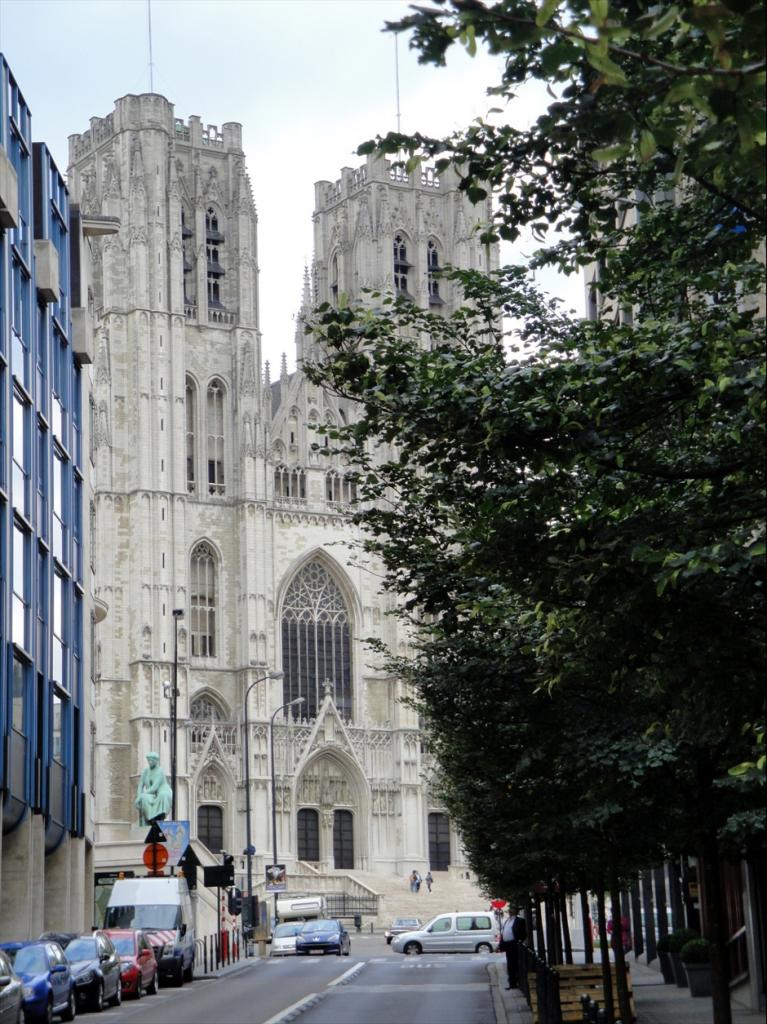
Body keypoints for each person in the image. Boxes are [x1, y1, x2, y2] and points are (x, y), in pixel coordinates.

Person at [135, 751, 173, 825]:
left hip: (163, 791)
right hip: (152, 794)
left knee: (163, 796)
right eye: (148, 760)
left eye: (151, 760)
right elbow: (140, 785)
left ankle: (157, 817)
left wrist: (141, 796)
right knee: (144, 798)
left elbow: (154, 787)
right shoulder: (146, 771)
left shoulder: (160, 771)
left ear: (156, 761)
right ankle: (150, 819)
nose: (149, 762)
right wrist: (139, 796)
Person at [500, 905, 527, 990]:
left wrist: (519, 942)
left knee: (515, 964)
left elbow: (523, 933)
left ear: (516, 911)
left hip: (514, 945)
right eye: (509, 910)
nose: (510, 911)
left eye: (512, 909)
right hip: (507, 945)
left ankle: (517, 982)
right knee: (510, 965)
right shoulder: (507, 921)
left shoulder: (520, 921)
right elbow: (504, 932)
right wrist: (501, 943)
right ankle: (512, 983)